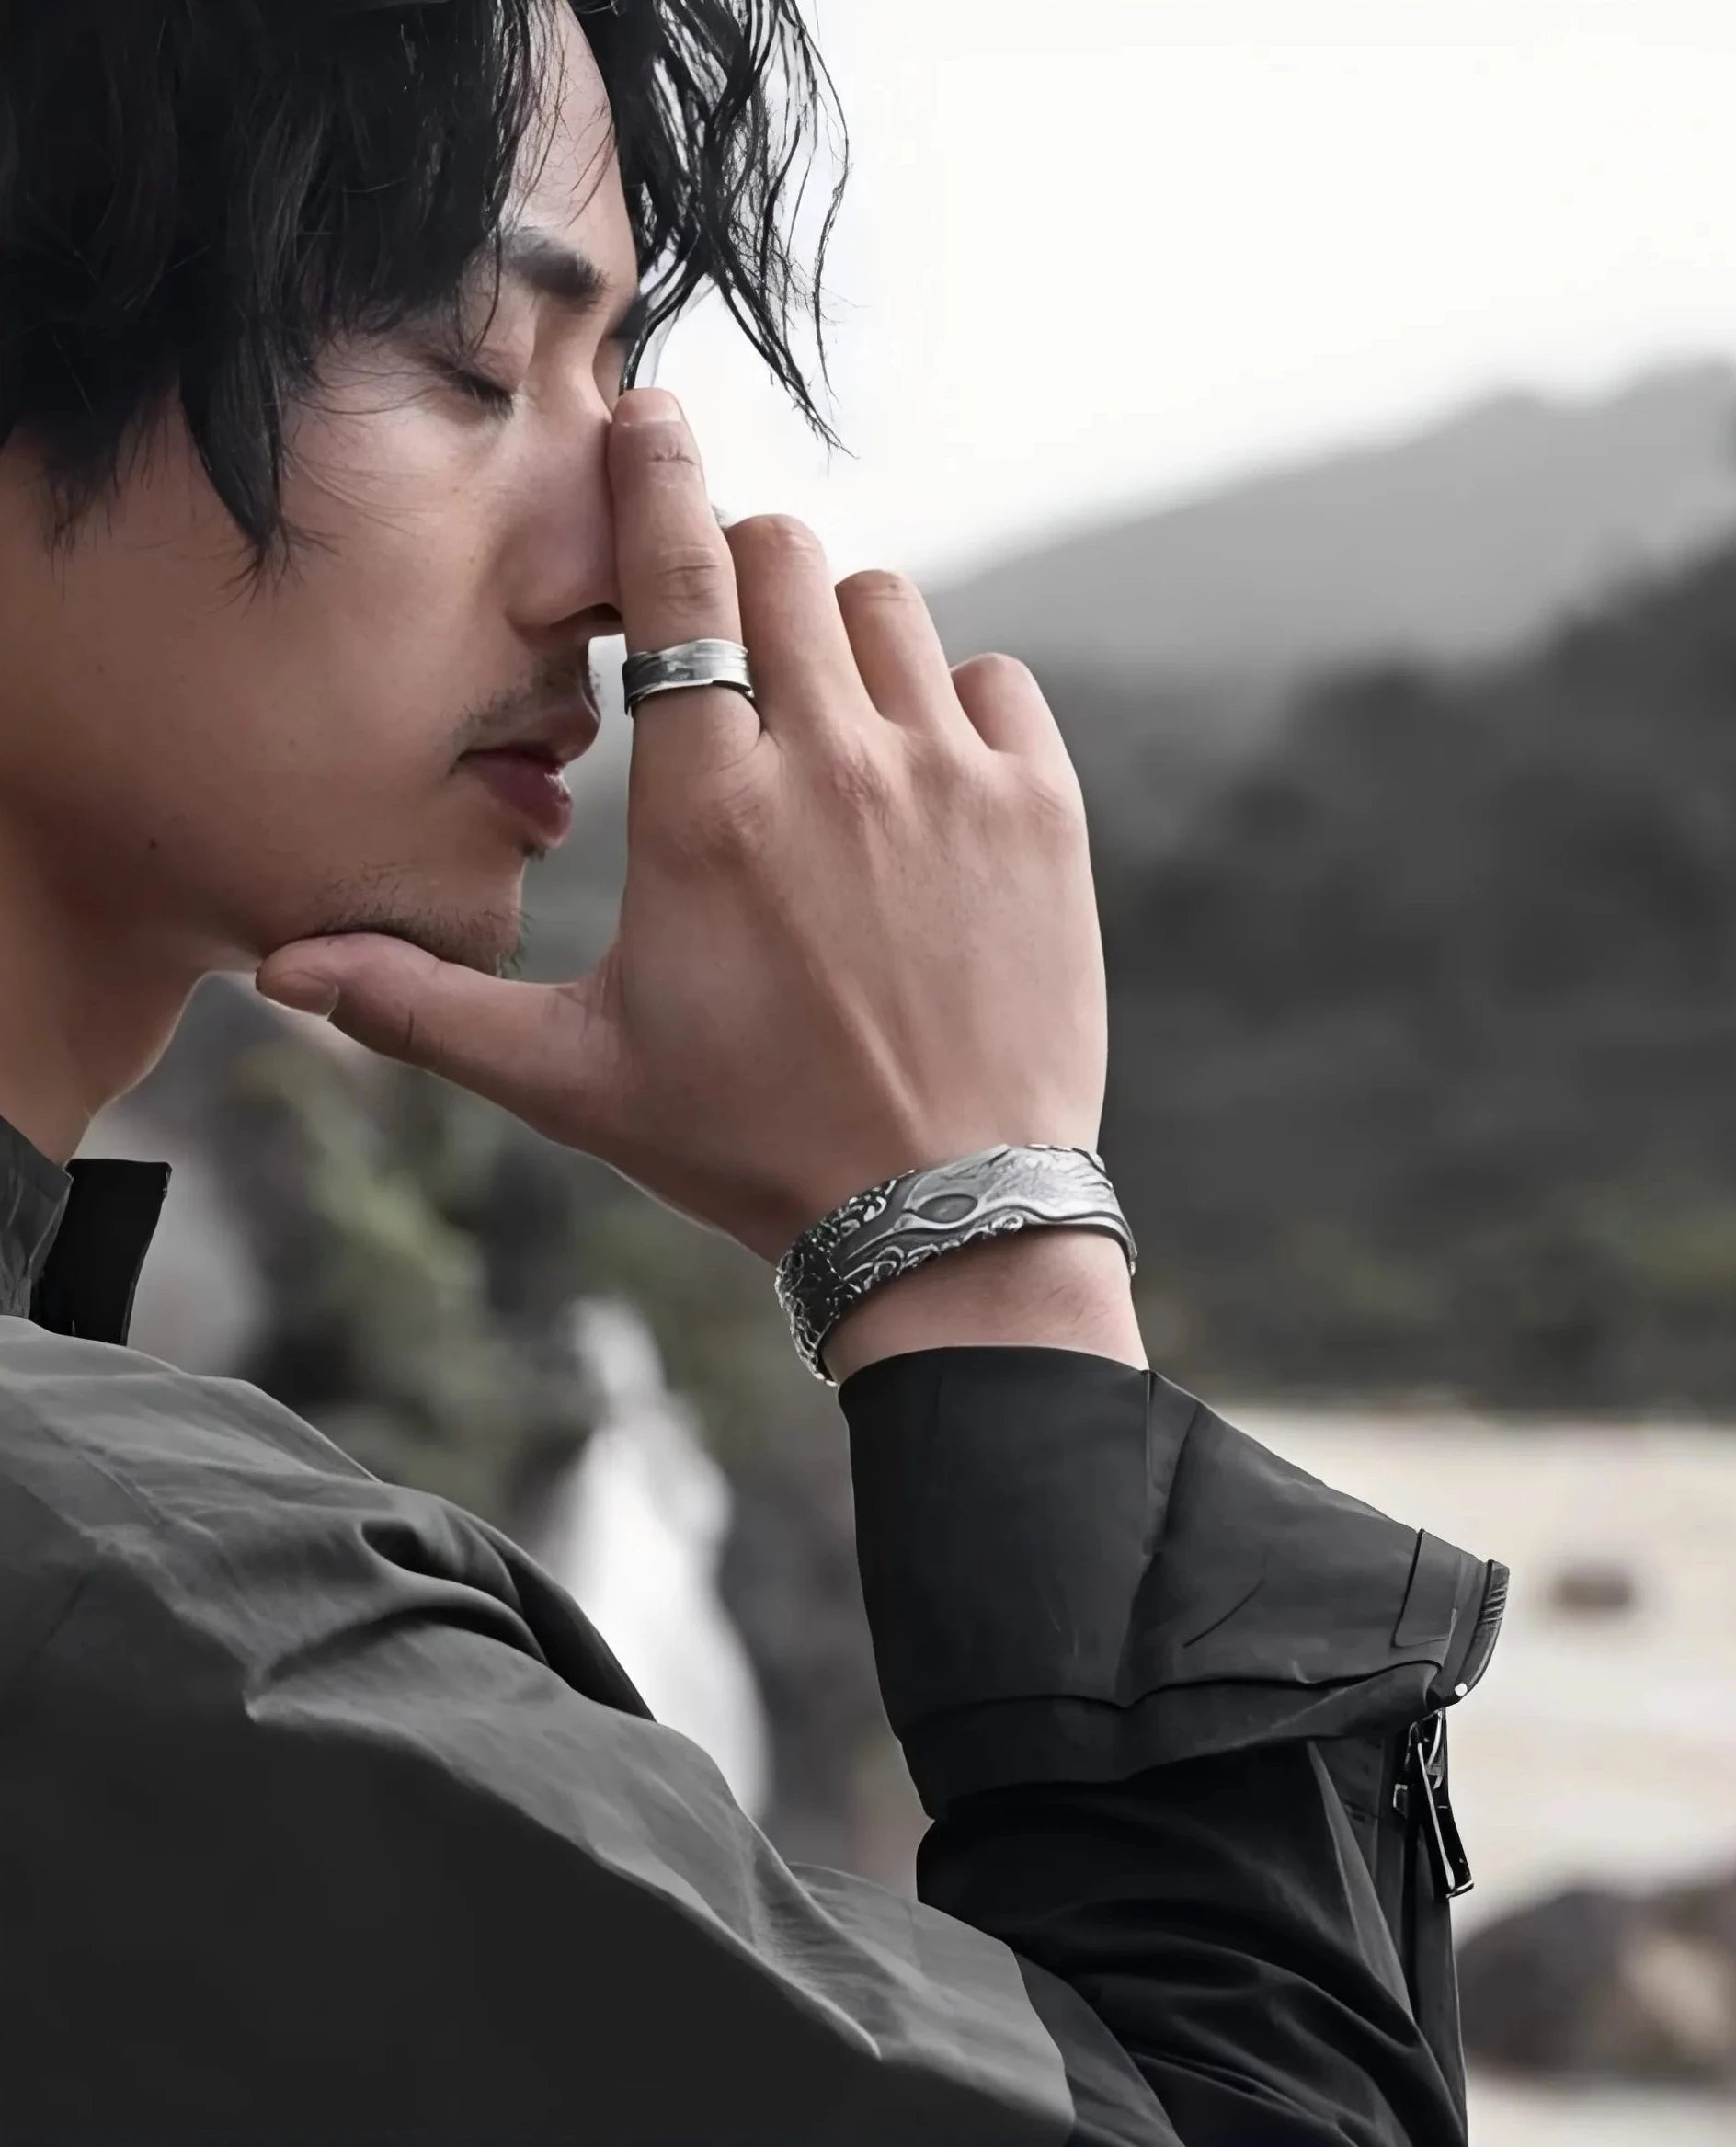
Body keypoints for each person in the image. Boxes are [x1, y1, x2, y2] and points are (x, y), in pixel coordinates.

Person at [0, 2, 1509, 2140]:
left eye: (611, 385)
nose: (621, 566)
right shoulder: (95, 1596)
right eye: (468, 364)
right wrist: (987, 1233)